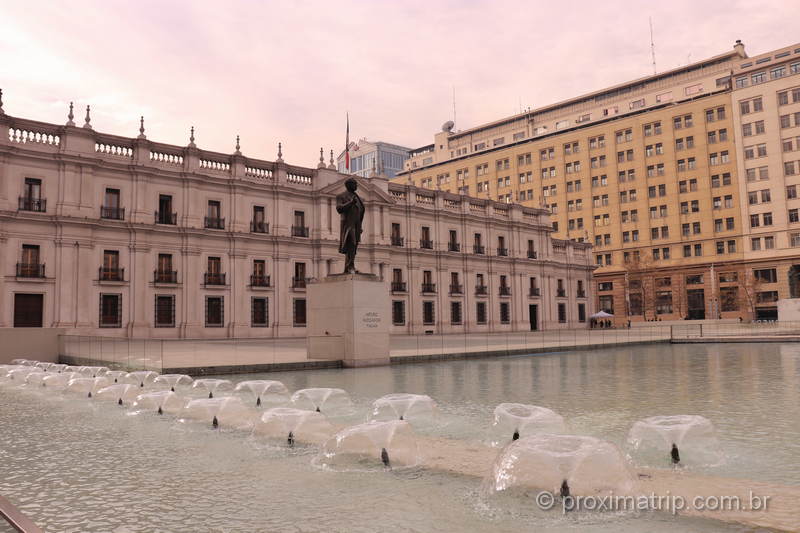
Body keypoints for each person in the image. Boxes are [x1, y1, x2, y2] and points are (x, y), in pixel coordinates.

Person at [336, 178, 365, 274]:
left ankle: (348, 267)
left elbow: (361, 212)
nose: (356, 186)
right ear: (349, 185)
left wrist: (360, 226)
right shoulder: (341, 196)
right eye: (355, 184)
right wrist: (350, 203)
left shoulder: (359, 198)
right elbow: (339, 208)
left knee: (354, 246)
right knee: (351, 243)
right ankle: (350, 265)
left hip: (356, 225)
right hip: (347, 224)